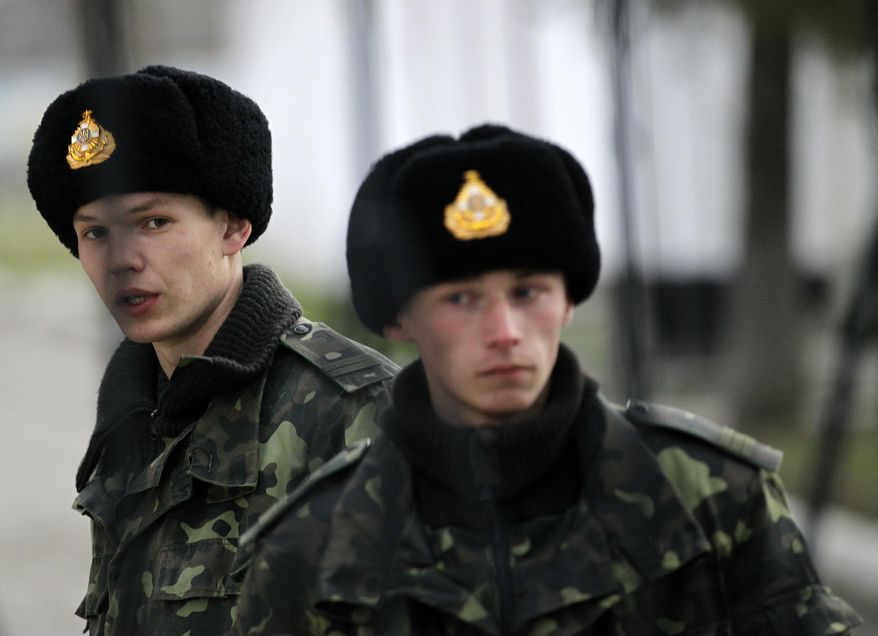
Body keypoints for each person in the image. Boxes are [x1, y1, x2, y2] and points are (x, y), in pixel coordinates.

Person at [233, 124, 862, 634]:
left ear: (567, 301)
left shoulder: (712, 498)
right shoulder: (310, 549)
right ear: (400, 319)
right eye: (461, 299)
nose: (505, 330)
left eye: (528, 291)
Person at [26, 65, 397, 636]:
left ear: (234, 228)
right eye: (95, 232)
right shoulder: (134, 418)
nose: (122, 259)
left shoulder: (357, 413)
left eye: (153, 221)